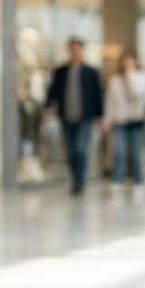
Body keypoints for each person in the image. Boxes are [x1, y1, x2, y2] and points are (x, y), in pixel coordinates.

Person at [44, 38, 104, 195]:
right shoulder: (61, 71)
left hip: (84, 117)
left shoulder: (90, 72)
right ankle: (76, 178)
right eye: (73, 49)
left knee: (80, 148)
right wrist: (48, 106)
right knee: (71, 150)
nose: (75, 52)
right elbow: (53, 90)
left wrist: (99, 116)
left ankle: (80, 180)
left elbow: (97, 95)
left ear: (82, 51)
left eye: (78, 49)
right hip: (66, 116)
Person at [105, 49, 145, 199]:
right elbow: (110, 103)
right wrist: (107, 121)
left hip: (137, 121)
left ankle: (138, 183)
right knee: (118, 153)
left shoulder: (142, 77)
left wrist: (130, 75)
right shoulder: (115, 80)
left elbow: (137, 93)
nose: (127, 63)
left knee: (137, 155)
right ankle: (116, 182)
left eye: (130, 60)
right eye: (125, 60)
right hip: (120, 121)